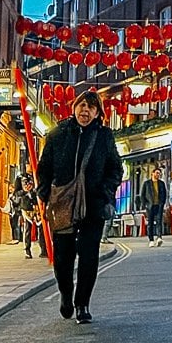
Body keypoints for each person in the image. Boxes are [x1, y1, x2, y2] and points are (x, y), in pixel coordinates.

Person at [36, 91, 122, 325]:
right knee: (63, 257)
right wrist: (44, 192)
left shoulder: (104, 136)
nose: (85, 111)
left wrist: (106, 193)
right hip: (64, 204)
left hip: (94, 205)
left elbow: (115, 169)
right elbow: (44, 167)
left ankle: (82, 303)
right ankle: (66, 293)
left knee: (88, 255)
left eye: (91, 107)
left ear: (98, 113)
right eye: (82, 105)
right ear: (74, 107)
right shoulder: (58, 134)